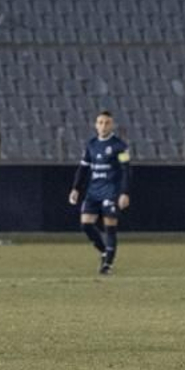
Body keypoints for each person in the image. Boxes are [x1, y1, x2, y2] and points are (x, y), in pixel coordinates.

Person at [67, 109, 131, 276]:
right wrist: (76, 188)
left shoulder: (119, 146)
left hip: (111, 191)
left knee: (110, 226)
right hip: (93, 191)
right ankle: (105, 251)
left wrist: (124, 192)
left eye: (107, 123)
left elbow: (126, 170)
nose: (103, 126)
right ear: (96, 125)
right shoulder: (91, 145)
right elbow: (83, 168)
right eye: (100, 123)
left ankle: (107, 264)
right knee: (86, 224)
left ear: (112, 125)